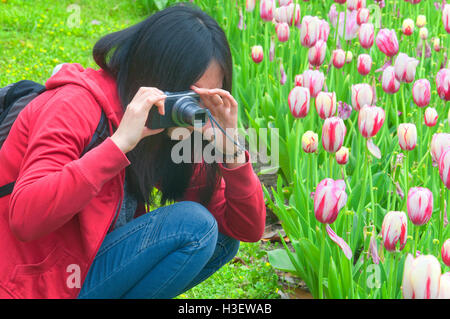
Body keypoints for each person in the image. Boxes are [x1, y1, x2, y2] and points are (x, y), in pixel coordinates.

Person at [0, 3, 266, 299]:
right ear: (156, 75)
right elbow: (25, 218)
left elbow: (248, 229)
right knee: (195, 225)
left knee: (222, 239)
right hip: (28, 284)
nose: (197, 111)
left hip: (88, 270)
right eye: (191, 97)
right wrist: (118, 145)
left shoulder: (174, 126)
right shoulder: (74, 105)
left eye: (210, 98)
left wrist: (232, 152)